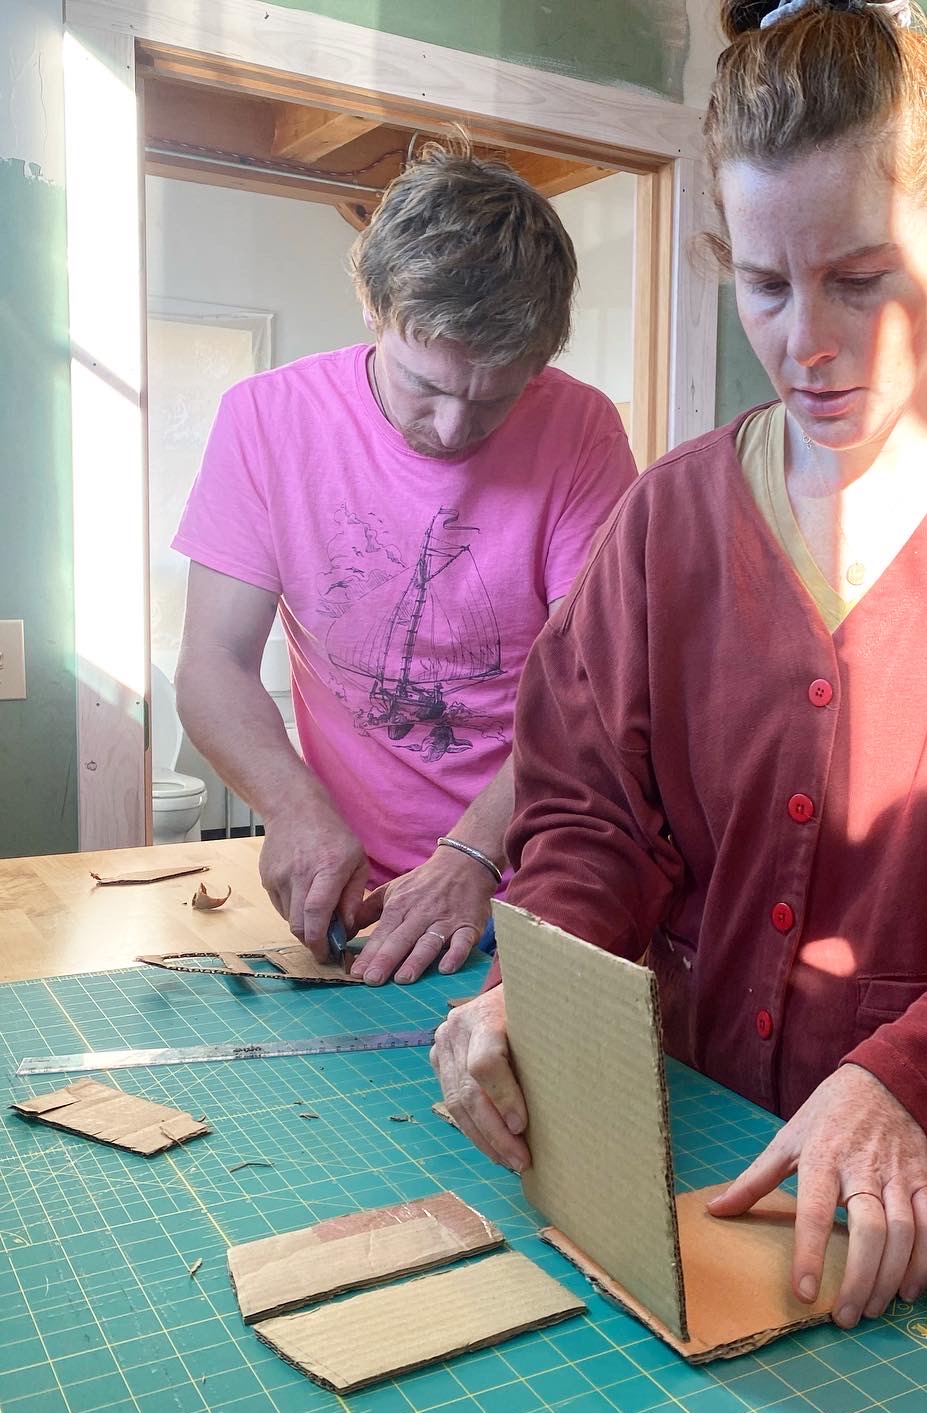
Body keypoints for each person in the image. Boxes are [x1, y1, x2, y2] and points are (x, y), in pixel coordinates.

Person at [432, 0, 927, 1333]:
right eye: (764, 282)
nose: (806, 340)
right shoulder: (666, 524)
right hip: (711, 1176)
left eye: (861, 280)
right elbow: (591, 822)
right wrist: (537, 989)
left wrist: (908, 1080)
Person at [173, 148, 637, 985]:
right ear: (372, 306)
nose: (455, 429)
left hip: (538, 870)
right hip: (358, 888)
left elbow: (593, 691)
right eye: (425, 384)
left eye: (495, 396)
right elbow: (213, 663)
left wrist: (474, 853)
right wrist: (294, 807)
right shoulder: (266, 421)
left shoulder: (584, 430)